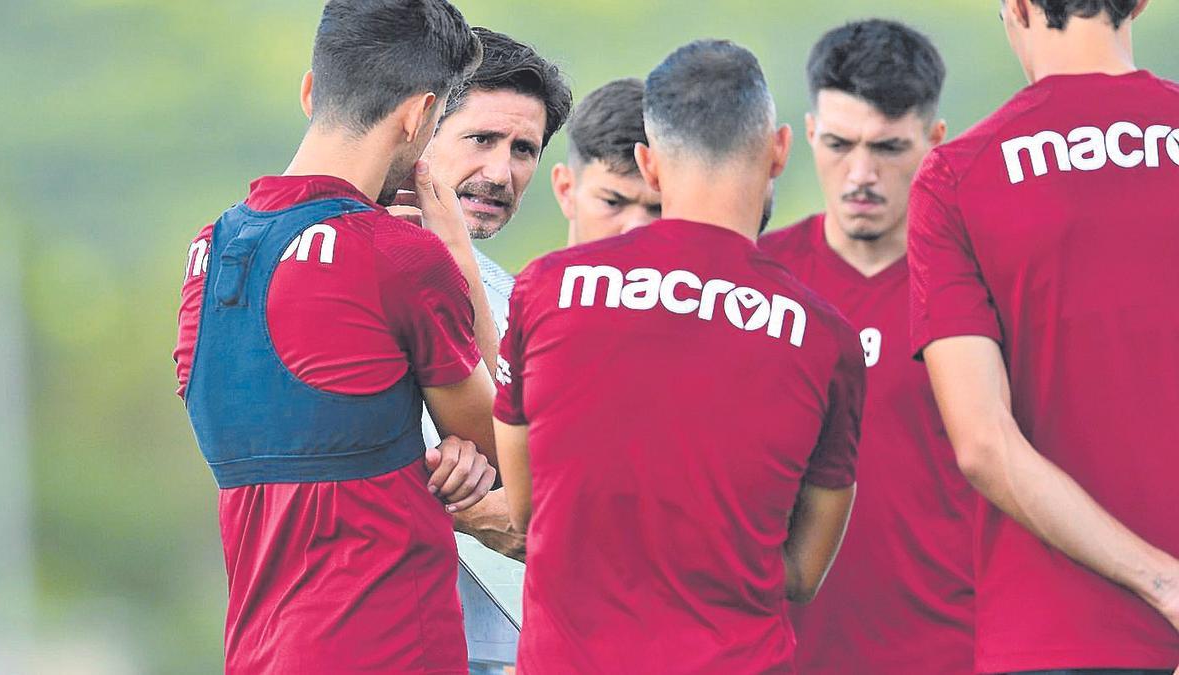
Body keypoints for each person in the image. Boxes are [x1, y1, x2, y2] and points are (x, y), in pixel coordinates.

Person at [493, 39, 866, 673]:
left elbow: (527, 511)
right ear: (778, 150)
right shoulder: (825, 337)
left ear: (649, 162)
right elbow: (802, 572)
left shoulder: (547, 288)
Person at [172, 1, 500, 672]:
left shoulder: (207, 253)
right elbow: (508, 451)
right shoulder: (399, 256)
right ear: (418, 115)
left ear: (309, 91)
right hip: (390, 646)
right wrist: (458, 255)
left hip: (257, 650)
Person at [908, 1, 1179, 673]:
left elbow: (984, 443)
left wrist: (1164, 582)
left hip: (1059, 636)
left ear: (1019, 8)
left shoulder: (956, 178)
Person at [758, 20, 974, 674]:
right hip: (783, 653)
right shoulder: (757, 282)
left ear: (935, 143)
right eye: (839, 143)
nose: (861, 173)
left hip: (954, 653)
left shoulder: (983, 286)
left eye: (888, 147)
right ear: (803, 136)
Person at [399, 27, 572, 562]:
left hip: (516, 638)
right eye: (482, 140)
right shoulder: (336, 264)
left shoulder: (525, 298)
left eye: (524, 149)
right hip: (385, 626)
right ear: (422, 127)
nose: (501, 173)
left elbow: (561, 486)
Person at [549, 77, 661, 246]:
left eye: (658, 208)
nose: (636, 228)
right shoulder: (508, 273)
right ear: (565, 190)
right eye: (612, 202)